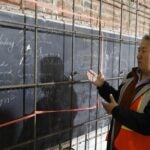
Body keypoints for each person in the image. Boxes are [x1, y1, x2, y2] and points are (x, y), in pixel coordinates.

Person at [87, 34, 150, 150]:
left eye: (144, 51)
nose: (138, 55)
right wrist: (102, 85)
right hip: (115, 144)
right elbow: (118, 99)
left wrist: (116, 111)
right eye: (139, 50)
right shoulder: (131, 77)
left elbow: (147, 124)